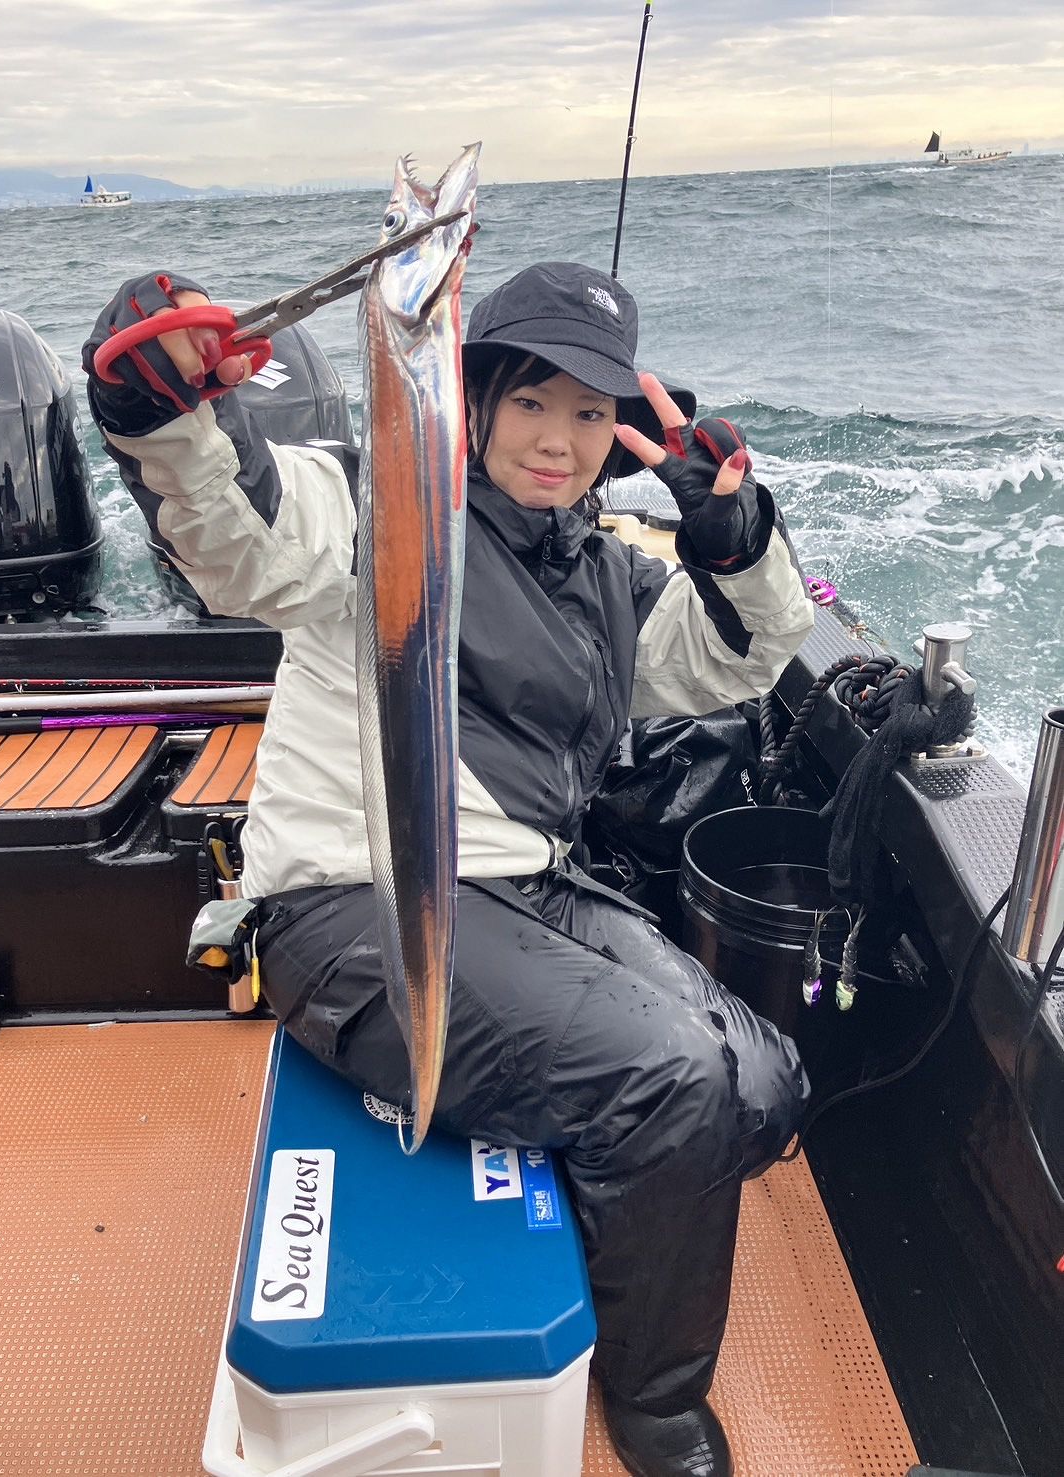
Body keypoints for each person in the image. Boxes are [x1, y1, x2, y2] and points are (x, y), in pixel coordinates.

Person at [83, 259, 815, 1477]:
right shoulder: (377, 509)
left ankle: (605, 1174)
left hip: (527, 890)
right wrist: (155, 409)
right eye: (529, 400)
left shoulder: (602, 572)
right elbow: (240, 536)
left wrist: (734, 543)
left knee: (765, 1085)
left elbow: (729, 658)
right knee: (679, 1082)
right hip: (354, 907)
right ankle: (654, 1400)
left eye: (589, 412)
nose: (558, 439)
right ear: (468, 399)